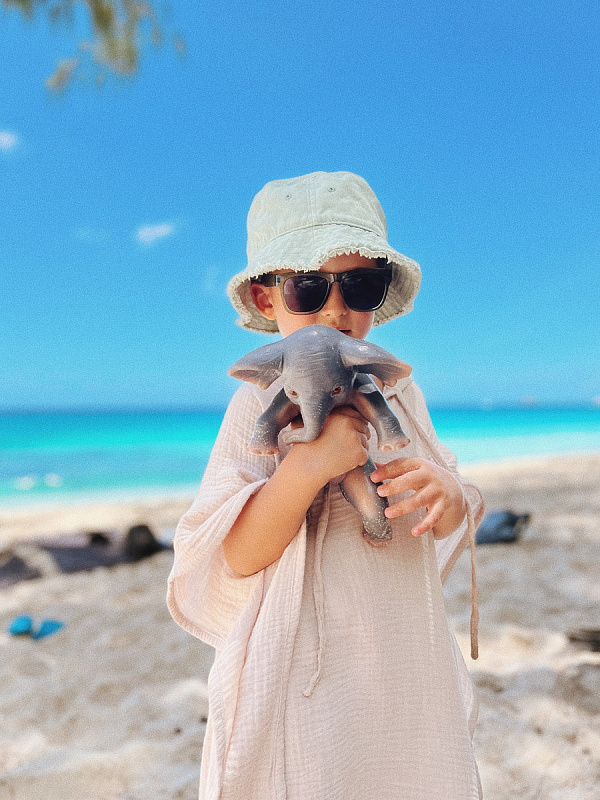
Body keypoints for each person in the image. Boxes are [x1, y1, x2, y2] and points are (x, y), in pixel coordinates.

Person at [167, 171, 485, 800]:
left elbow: (445, 512)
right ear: (266, 300)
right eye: (308, 289)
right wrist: (308, 466)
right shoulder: (256, 401)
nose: (336, 311)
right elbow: (235, 553)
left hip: (401, 651)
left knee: (408, 773)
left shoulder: (399, 391)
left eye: (359, 285)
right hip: (300, 668)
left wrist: (448, 497)